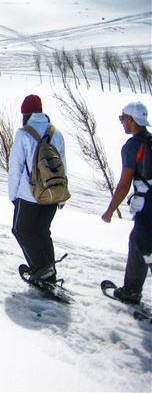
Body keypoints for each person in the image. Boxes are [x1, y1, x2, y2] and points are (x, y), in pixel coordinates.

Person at [8, 94, 66, 283]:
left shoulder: (24, 133)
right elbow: (62, 164)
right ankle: (50, 272)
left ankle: (41, 269)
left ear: (25, 113)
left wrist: (13, 195)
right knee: (42, 231)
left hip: (29, 194)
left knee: (20, 230)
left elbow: (15, 168)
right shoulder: (56, 133)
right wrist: (61, 196)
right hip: (53, 193)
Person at [102, 102, 152, 304]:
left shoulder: (133, 146)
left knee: (143, 245)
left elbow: (124, 184)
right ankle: (131, 289)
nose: (122, 122)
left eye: (123, 118)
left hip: (148, 206)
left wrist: (110, 211)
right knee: (138, 243)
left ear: (131, 120)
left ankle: (131, 291)